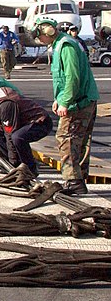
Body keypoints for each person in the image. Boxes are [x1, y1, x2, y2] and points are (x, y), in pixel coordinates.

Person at [32, 17, 99, 195]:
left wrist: (65, 102)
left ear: (48, 32)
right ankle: (80, 179)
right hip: (84, 98)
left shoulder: (66, 46)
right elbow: (64, 79)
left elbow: (72, 78)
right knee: (80, 141)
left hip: (79, 101)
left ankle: (73, 180)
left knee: (66, 138)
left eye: (40, 35)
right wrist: (58, 98)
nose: (39, 39)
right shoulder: (62, 44)